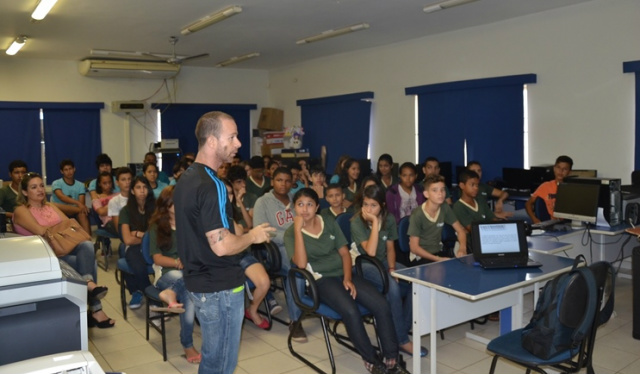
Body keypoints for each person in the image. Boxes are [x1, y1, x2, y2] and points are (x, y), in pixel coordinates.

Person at [173, 111, 275, 374]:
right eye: (232, 137)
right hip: (220, 287)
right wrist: (253, 236)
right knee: (222, 364)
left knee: (212, 360)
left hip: (199, 281)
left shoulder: (186, 178)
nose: (239, 143)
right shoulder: (212, 184)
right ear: (212, 141)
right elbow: (221, 245)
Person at [284, 188, 409, 374]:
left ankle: (391, 358)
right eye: (300, 205)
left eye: (309, 204)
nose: (305, 209)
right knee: (350, 311)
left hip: (344, 272)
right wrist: (297, 230)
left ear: (317, 207)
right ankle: (372, 360)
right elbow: (301, 263)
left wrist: (349, 279)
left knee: (381, 304)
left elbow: (344, 253)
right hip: (320, 281)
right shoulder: (290, 233)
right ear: (294, 208)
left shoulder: (328, 222)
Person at [13, 172, 115, 328]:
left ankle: (88, 287)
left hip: (65, 248)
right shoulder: (21, 210)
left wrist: (56, 230)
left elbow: (70, 225)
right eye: (34, 187)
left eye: (41, 185)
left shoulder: (50, 206)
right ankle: (95, 308)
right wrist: (59, 229)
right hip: (45, 256)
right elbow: (41, 231)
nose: (40, 189)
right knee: (88, 264)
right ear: (25, 192)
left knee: (87, 246)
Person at [351, 184, 427, 358]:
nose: (368, 209)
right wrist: (375, 222)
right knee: (391, 286)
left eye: (373, 205)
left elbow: (390, 248)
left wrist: (392, 268)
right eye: (365, 204)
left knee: (416, 279)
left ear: (382, 206)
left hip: (383, 261)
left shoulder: (390, 218)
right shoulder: (356, 221)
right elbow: (369, 252)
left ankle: (400, 328)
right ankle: (402, 340)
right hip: (362, 264)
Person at [147, 185, 201, 364]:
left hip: (189, 273)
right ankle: (187, 345)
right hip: (166, 272)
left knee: (188, 290)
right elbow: (157, 258)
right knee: (187, 286)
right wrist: (177, 262)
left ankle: (170, 294)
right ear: (166, 205)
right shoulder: (156, 227)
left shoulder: (189, 223)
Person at [253, 166, 307, 341]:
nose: (283, 184)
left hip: (302, 244)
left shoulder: (296, 199)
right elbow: (261, 231)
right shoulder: (263, 202)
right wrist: (291, 236)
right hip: (277, 249)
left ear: (292, 183)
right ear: (272, 182)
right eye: (279, 180)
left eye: (287, 180)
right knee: (296, 272)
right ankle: (296, 321)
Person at [222, 178, 271, 330]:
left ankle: (252, 310)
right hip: (219, 260)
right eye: (223, 194)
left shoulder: (231, 212)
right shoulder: (204, 214)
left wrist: (227, 212)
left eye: (230, 194)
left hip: (240, 254)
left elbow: (241, 232)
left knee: (264, 282)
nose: (227, 197)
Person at [408, 174, 467, 265]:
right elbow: (414, 248)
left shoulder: (444, 207)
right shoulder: (417, 214)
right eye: (435, 190)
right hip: (420, 256)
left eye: (442, 190)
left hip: (438, 252)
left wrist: (462, 248)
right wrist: (437, 259)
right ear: (426, 194)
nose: (440, 193)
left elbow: (461, 231)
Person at [119, 175, 156, 310]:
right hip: (133, 247)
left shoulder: (155, 209)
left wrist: (139, 234)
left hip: (152, 246)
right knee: (138, 265)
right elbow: (127, 239)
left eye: (145, 187)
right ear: (133, 191)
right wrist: (146, 237)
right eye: (138, 187)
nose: (142, 190)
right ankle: (149, 297)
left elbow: (158, 236)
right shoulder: (126, 210)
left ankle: (143, 292)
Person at [453, 170, 500, 246]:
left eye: (477, 185)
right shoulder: (458, 207)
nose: (476, 188)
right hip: (473, 244)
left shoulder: (480, 201)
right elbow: (474, 230)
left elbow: (492, 219)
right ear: (462, 185)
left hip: (489, 238)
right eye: (472, 185)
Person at [525, 155, 573, 223]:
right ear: (554, 168)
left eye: (565, 169)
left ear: (570, 172)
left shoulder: (573, 188)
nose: (561, 171)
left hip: (568, 223)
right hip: (551, 223)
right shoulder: (545, 186)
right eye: (558, 167)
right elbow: (528, 204)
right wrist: (534, 219)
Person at [50, 159, 91, 234]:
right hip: (60, 210)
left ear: (74, 169)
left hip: (74, 211)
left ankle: (88, 240)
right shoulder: (56, 183)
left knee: (82, 213)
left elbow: (81, 202)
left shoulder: (80, 185)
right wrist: (78, 204)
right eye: (66, 170)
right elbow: (61, 197)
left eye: (70, 169)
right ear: (62, 172)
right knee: (53, 205)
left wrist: (79, 205)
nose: (69, 172)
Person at [91, 171, 118, 236]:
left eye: (109, 182)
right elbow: (101, 212)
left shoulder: (118, 195)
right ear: (99, 184)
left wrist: (106, 207)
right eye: (104, 183)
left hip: (122, 219)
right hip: (109, 222)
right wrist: (116, 205)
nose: (108, 185)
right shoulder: (97, 199)